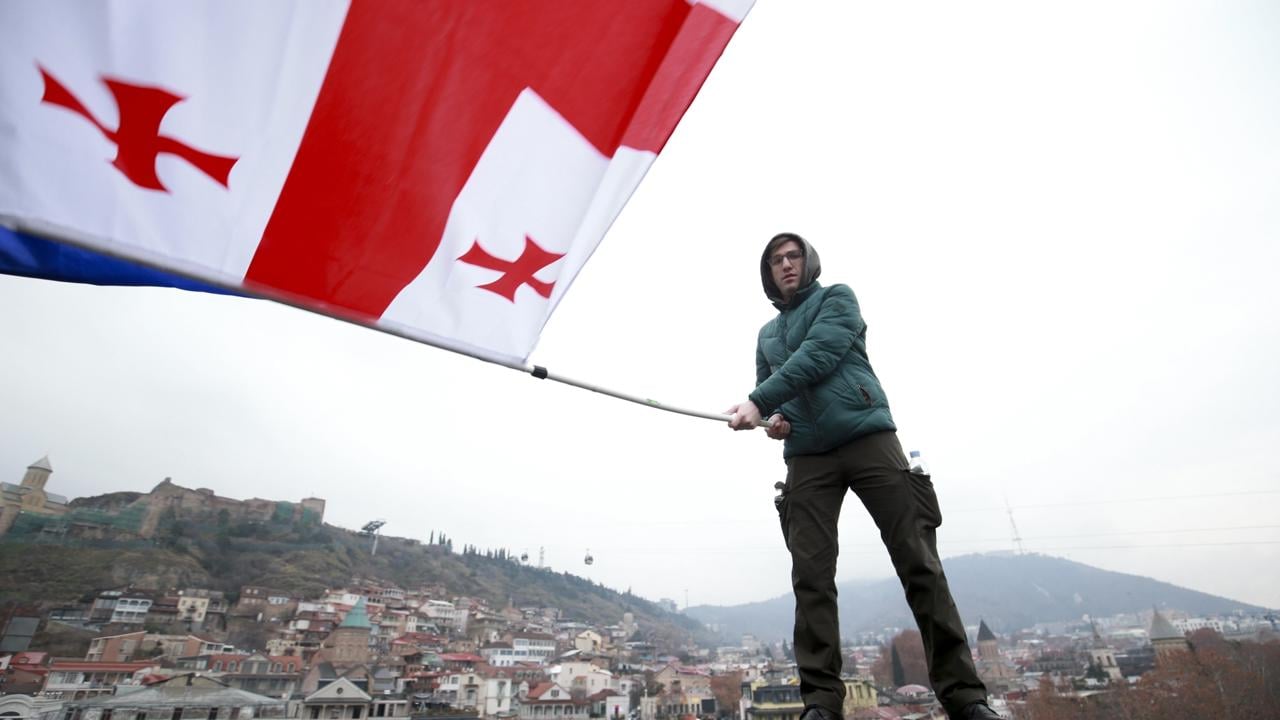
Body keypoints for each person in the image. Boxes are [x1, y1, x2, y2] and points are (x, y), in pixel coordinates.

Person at [726, 233, 1000, 720]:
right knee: (810, 576)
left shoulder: (839, 299)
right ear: (767, 273)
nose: (786, 264)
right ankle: (822, 705)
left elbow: (818, 356)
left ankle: (965, 698)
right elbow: (773, 393)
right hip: (807, 455)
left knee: (919, 562)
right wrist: (774, 422)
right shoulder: (766, 335)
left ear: (809, 261)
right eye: (775, 260)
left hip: (867, 437)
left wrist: (760, 401)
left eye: (794, 256)